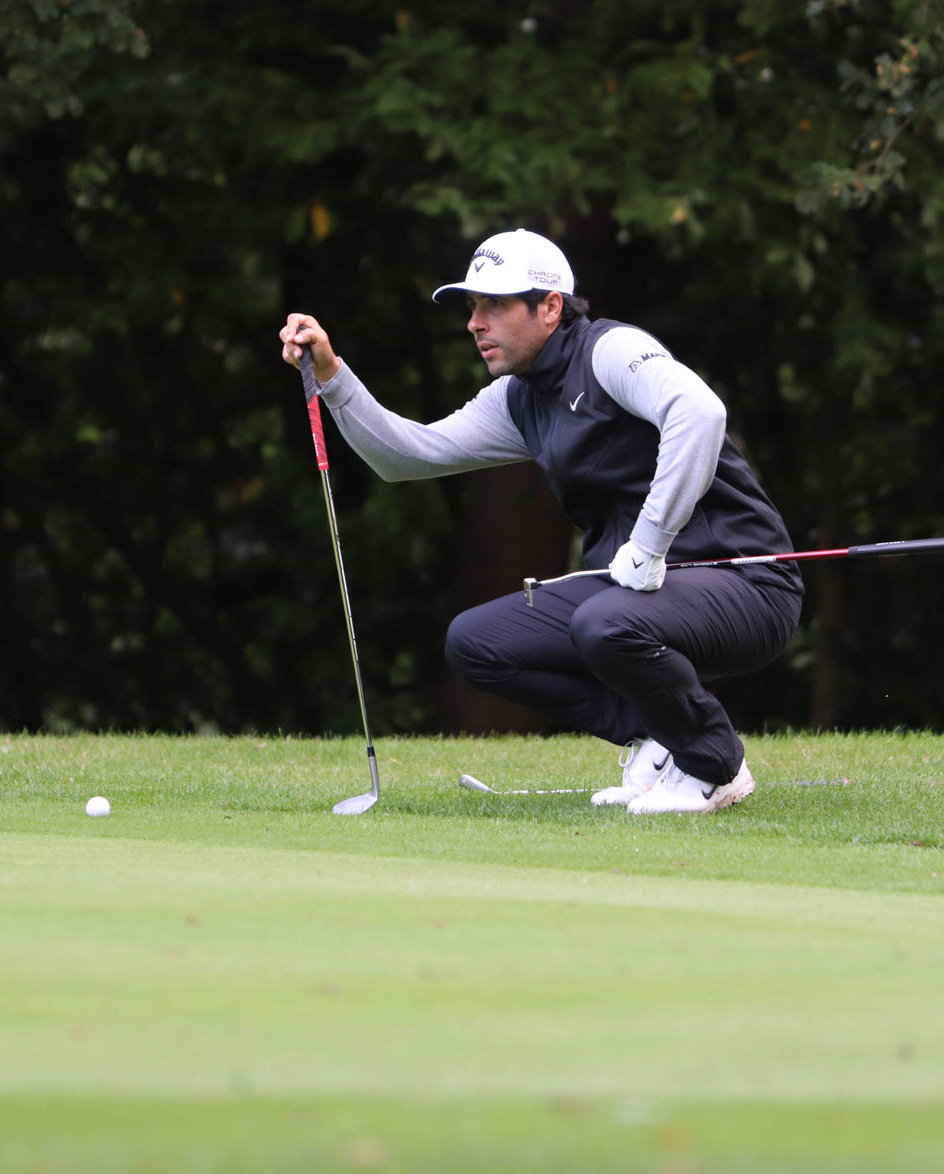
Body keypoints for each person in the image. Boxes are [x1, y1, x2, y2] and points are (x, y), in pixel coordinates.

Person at [278, 229, 802, 814]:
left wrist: (650, 544)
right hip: (632, 592)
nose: (475, 323)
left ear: (551, 307)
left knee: (605, 624)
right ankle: (662, 739)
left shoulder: (610, 351)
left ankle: (713, 766)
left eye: (495, 305)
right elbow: (407, 455)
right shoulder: (518, 397)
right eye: (472, 307)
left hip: (748, 584)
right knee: (476, 643)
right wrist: (332, 376)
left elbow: (699, 413)